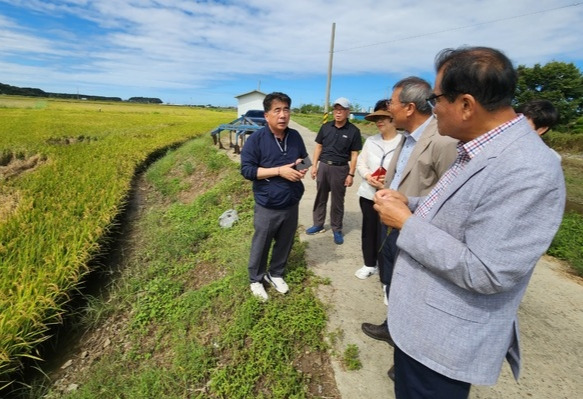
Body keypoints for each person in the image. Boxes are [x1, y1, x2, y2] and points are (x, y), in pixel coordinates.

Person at [374, 46, 565, 398]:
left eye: (436, 99)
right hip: (420, 327)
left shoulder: (528, 169)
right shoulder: (478, 147)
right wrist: (410, 203)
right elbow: (456, 210)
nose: (433, 109)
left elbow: (488, 271)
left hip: (441, 340)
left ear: (465, 104)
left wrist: (406, 223)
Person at [360, 77, 457, 357]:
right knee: (394, 281)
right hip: (393, 225)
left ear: (410, 107)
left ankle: (409, 353)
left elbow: (452, 198)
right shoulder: (407, 139)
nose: (389, 109)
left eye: (392, 103)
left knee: (416, 291)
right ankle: (393, 327)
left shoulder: (443, 141)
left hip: (417, 230)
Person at [240, 92, 309, 301]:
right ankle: (256, 279)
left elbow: (305, 160)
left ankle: (276, 273)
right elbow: (247, 171)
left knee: (285, 241)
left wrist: (301, 168)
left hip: (291, 200)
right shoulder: (256, 140)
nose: (282, 115)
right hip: (268, 203)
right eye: (277, 110)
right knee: (262, 243)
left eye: (286, 109)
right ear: (267, 115)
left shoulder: (295, 136)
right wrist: (279, 171)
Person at [354, 99, 401, 279]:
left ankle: (387, 271)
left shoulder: (403, 142)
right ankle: (369, 263)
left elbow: (405, 171)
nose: (379, 121)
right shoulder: (371, 141)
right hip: (368, 193)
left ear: (393, 119)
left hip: (390, 197)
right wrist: (368, 176)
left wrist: (386, 185)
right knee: (369, 230)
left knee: (388, 235)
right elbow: (361, 162)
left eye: (384, 117)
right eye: (376, 118)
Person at [306, 97, 362, 245]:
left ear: (348, 112)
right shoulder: (326, 127)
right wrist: (314, 166)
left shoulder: (354, 131)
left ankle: (337, 229)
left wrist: (351, 174)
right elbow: (318, 147)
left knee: (338, 201)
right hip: (324, 166)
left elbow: (354, 154)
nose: (338, 113)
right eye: (336, 109)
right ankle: (318, 224)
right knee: (320, 197)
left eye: (341, 110)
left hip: (341, 168)